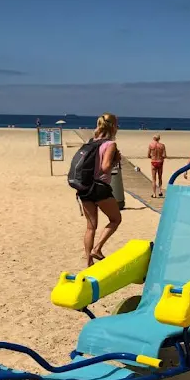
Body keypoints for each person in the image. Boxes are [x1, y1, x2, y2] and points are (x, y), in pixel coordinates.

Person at [79, 113, 122, 266]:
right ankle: (97, 249)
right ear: (113, 127)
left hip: (84, 187)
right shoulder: (110, 144)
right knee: (116, 219)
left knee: (90, 227)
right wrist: (115, 160)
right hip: (99, 188)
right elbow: (105, 167)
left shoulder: (90, 143)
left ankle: (88, 262)